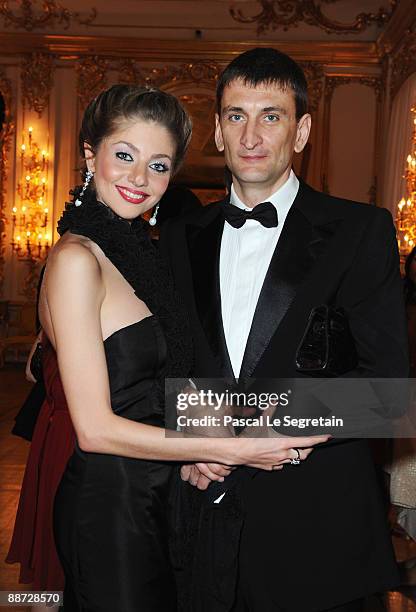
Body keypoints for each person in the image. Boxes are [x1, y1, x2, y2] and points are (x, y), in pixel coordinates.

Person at [6, 84, 327, 612]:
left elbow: (158, 388)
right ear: (91, 154)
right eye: (124, 156)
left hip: (162, 492)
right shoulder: (76, 260)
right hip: (109, 506)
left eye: (158, 166)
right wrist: (231, 448)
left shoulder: (138, 256)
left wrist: (228, 434)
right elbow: (95, 428)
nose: (139, 179)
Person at [160, 48, 409, 612]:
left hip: (318, 528)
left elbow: (388, 389)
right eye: (235, 116)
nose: (251, 136)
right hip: (205, 514)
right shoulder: (181, 236)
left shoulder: (359, 230)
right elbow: (172, 363)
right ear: (218, 133)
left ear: (301, 132)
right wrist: (194, 440)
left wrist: (253, 434)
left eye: (270, 115)